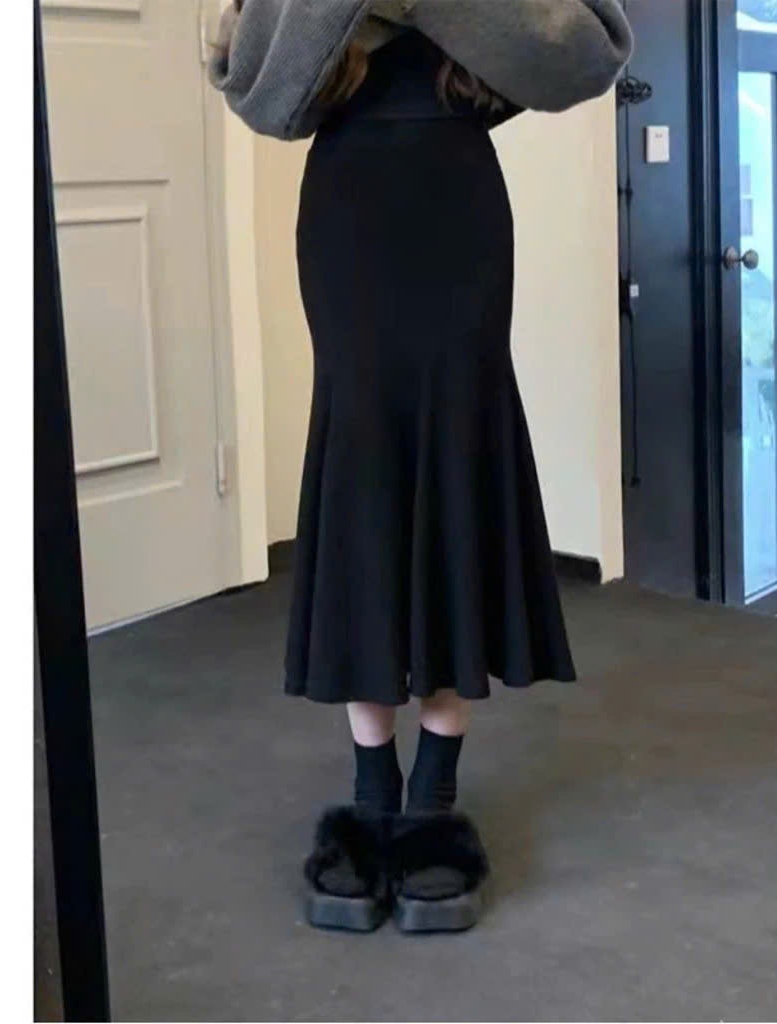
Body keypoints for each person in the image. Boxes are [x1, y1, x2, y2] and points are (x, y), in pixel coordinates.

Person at [210, 0, 633, 933]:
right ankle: (372, 797)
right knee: (362, 467)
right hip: (349, 206)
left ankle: (432, 798)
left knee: (457, 453)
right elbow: (255, 88)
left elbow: (592, 49)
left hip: (456, 201)